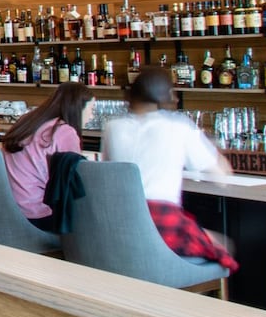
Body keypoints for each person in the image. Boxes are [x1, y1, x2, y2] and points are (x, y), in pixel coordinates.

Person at [101, 68, 237, 271]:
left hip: (118, 226)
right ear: (167, 96)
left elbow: (109, 168)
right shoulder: (179, 127)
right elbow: (221, 177)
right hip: (160, 226)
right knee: (223, 244)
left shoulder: (113, 127)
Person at [2, 82, 89, 228]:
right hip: (39, 215)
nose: (92, 115)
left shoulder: (26, 122)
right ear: (78, 108)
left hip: (8, 209)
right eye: (92, 108)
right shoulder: (64, 131)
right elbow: (75, 179)